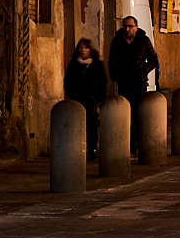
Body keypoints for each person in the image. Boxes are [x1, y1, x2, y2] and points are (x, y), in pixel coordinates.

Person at [107, 15, 159, 155]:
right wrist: (115, 76)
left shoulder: (143, 41)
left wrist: (143, 71)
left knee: (138, 115)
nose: (127, 29)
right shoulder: (117, 41)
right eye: (125, 26)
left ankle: (138, 146)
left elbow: (154, 60)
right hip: (123, 82)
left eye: (130, 26)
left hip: (139, 83)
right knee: (125, 116)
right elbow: (112, 61)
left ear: (136, 27)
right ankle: (128, 147)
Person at [63, 38, 107, 159]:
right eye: (81, 47)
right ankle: (77, 150)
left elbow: (102, 82)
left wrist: (98, 98)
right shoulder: (74, 63)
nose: (83, 50)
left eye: (86, 47)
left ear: (90, 50)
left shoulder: (97, 64)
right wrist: (70, 95)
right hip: (77, 99)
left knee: (91, 126)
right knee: (76, 126)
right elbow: (68, 81)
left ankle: (92, 150)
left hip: (91, 100)